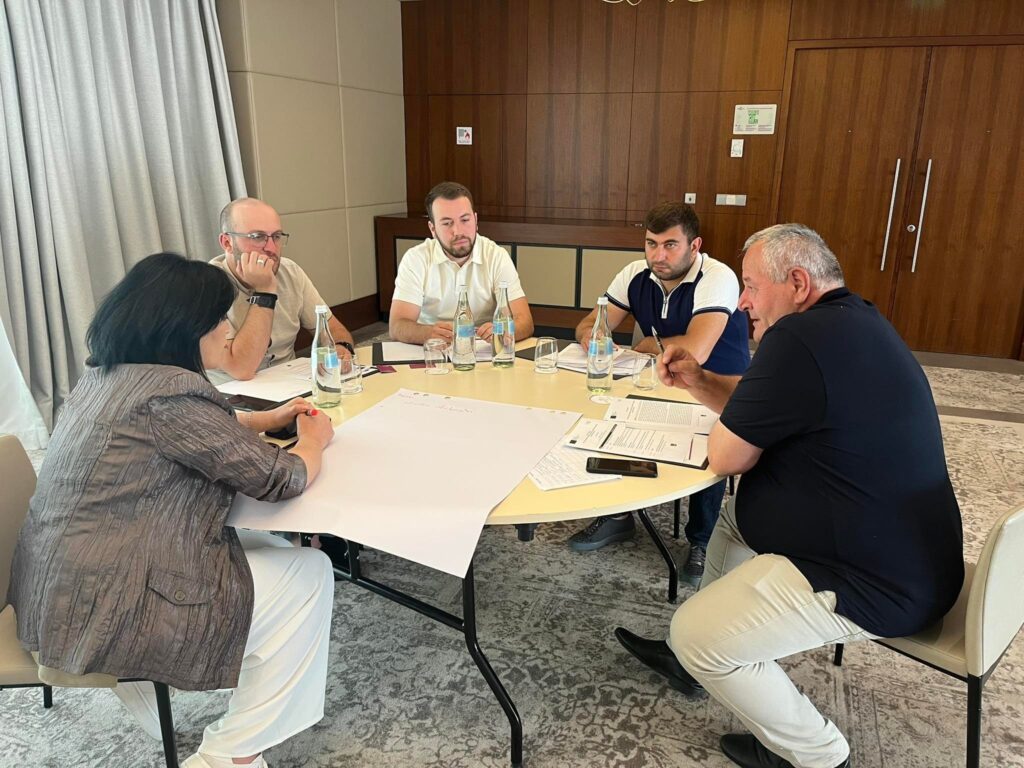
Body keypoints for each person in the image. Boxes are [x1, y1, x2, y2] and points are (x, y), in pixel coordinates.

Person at [613, 224, 964, 768]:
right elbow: (765, 402)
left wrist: (730, 431)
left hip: (877, 582)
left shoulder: (797, 338)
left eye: (752, 286)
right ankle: (690, 665)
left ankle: (819, 755)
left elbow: (727, 457)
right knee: (735, 517)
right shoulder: (852, 320)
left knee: (696, 634)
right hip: (912, 552)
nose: (743, 302)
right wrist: (700, 382)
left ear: (798, 283)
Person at [7, 253, 338, 768]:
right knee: (308, 573)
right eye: (219, 318)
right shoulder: (171, 396)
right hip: (107, 608)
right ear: (183, 327)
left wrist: (263, 419)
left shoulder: (106, 376)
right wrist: (313, 440)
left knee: (262, 545)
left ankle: (152, 689)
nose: (227, 330)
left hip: (57, 589)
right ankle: (230, 757)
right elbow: (281, 479)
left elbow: (191, 426)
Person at [567, 201, 750, 585]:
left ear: (694, 246)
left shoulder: (718, 277)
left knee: (709, 438)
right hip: (659, 379)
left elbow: (696, 352)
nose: (658, 255)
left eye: (670, 245)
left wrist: (651, 345)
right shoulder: (635, 273)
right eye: (651, 244)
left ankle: (702, 539)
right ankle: (618, 514)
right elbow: (591, 324)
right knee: (610, 412)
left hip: (717, 387)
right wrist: (593, 337)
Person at [209, 197, 355, 382]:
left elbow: (332, 329)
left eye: (276, 236)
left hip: (291, 384)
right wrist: (264, 292)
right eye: (257, 237)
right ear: (227, 243)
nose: (271, 248)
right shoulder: (206, 287)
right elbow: (242, 370)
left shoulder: (290, 271)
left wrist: (341, 347)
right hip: (233, 393)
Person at [389, 181, 534, 344]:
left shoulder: (496, 256)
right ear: (433, 229)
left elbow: (525, 321)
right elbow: (397, 325)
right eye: (447, 223)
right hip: (433, 348)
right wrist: (427, 333)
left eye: (465, 220)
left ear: (476, 220)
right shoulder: (415, 259)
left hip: (483, 348)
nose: (458, 231)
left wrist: (503, 330)